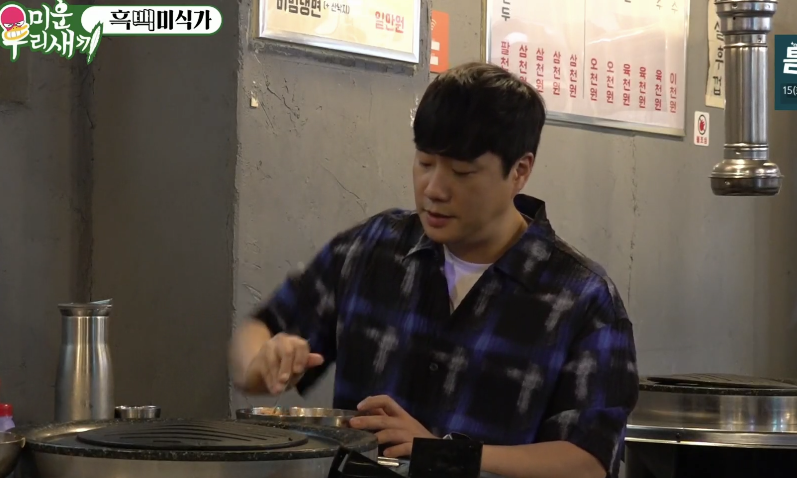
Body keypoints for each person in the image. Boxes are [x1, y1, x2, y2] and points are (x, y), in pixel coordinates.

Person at [229, 62, 639, 478]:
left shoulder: (581, 298)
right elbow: (257, 333)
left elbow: (588, 462)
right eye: (425, 163)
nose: (435, 189)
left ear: (520, 170)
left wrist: (442, 454)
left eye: (462, 173)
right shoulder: (372, 249)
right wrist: (266, 362)